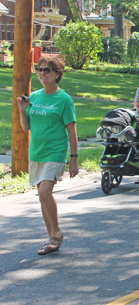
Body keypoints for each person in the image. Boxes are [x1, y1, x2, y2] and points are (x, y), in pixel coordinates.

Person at [17, 57, 79, 255]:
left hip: (55, 152)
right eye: (40, 70)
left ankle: (56, 235)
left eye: (47, 70)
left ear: (57, 74)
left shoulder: (64, 100)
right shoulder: (34, 97)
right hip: (36, 152)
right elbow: (26, 127)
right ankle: (52, 235)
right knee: (42, 197)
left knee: (44, 192)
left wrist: (74, 159)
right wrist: (22, 110)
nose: (42, 73)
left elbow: (72, 131)